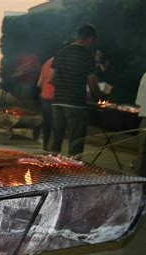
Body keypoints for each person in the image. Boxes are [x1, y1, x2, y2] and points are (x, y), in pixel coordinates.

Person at [49, 25, 103, 158]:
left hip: (58, 103)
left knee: (56, 139)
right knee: (76, 141)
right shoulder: (87, 55)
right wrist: (98, 99)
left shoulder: (61, 52)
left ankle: (49, 169)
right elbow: (92, 83)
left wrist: (64, 86)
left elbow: (50, 78)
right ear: (90, 39)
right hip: (76, 104)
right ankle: (73, 172)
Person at [37, 56, 55, 151]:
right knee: (55, 126)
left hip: (44, 97)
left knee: (46, 125)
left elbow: (39, 84)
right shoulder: (61, 62)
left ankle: (45, 149)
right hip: (54, 97)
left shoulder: (46, 62)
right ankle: (52, 152)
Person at [135, 72, 146, 176]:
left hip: (144, 120)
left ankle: (139, 184)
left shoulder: (145, 75)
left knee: (142, 156)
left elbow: (138, 102)